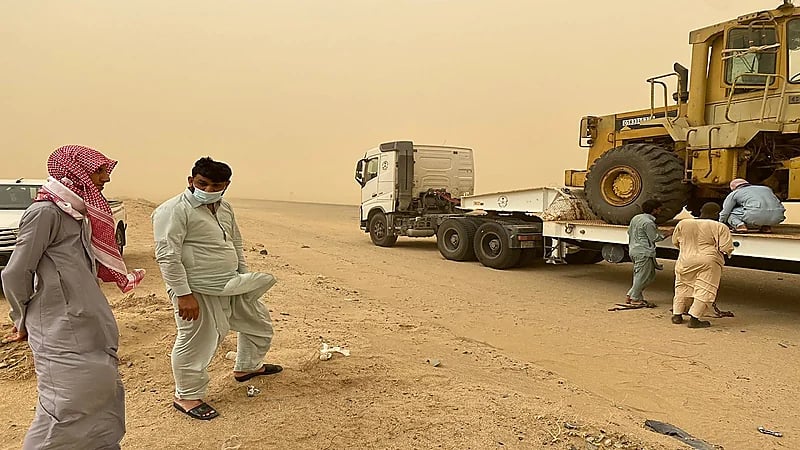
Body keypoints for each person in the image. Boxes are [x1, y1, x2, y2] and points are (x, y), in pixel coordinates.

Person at [1, 145, 145, 449]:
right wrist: (21, 317)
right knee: (66, 406)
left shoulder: (77, 212)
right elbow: (15, 273)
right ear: (74, 171)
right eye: (99, 170)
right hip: (58, 327)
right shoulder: (45, 212)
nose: (105, 177)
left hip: (88, 321)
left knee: (101, 393)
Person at [152, 157, 281, 421]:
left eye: (216, 186)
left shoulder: (225, 208)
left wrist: (243, 276)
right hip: (196, 289)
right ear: (191, 181)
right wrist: (183, 294)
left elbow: (234, 244)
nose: (209, 190)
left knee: (258, 324)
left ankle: (247, 367)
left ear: (226, 186)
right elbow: (167, 255)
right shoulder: (173, 210)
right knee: (196, 341)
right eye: (203, 184)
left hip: (231, 282)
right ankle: (187, 396)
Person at [671, 202, 735, 328]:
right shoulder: (720, 226)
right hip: (708, 260)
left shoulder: (683, 223)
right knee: (705, 289)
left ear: (701, 210)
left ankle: (677, 315)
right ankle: (694, 319)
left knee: (682, 285)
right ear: (717, 213)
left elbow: (675, 241)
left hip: (685, 259)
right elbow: (726, 248)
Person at [625, 199, 671, 307]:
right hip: (644, 252)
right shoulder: (649, 222)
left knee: (643, 275)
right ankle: (635, 298)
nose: (660, 211)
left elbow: (629, 232)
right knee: (644, 276)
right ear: (654, 210)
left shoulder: (636, 218)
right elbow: (654, 238)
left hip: (634, 250)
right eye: (659, 209)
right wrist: (667, 234)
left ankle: (631, 295)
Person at [719, 178, 786, 233]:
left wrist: (721, 223)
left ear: (733, 188)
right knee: (765, 207)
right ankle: (766, 227)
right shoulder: (766, 189)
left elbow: (725, 212)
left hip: (755, 215)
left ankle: (740, 226)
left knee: (731, 212)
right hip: (778, 217)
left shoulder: (735, 193)